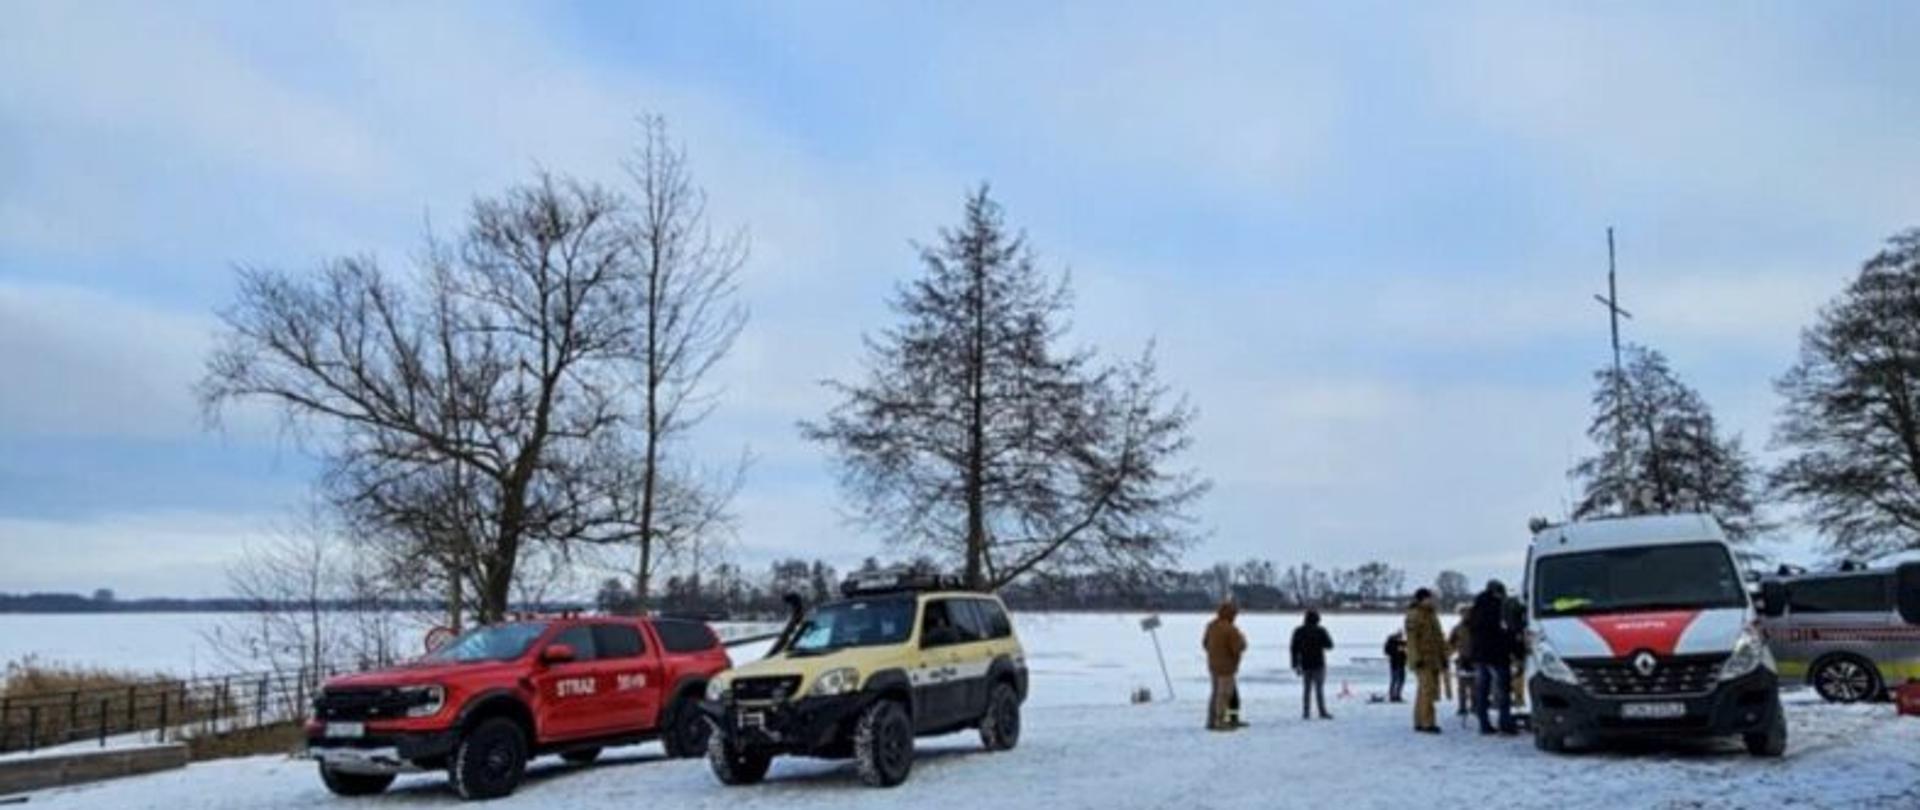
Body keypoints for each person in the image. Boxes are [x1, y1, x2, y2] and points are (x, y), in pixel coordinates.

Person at [1468, 580, 1518, 735]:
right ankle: (1505, 723)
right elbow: (1507, 632)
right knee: (1503, 690)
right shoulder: (1500, 607)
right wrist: (1516, 651)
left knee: (1482, 691)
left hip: (1480, 655)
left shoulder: (1476, 608)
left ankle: (1484, 724)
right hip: (1498, 654)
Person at [1405, 588, 1447, 733]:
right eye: (1429, 598)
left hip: (1433, 659)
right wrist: (1416, 658)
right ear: (1421, 599)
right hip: (1422, 660)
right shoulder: (1414, 615)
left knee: (1424, 692)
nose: (1432, 601)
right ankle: (1427, 722)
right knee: (1427, 691)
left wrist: (1443, 656)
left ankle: (1419, 720)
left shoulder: (1431, 614)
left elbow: (1439, 637)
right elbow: (1412, 640)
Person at [1203, 601, 1248, 731]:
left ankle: (1212, 721)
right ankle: (1221, 722)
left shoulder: (1211, 626)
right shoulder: (1231, 630)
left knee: (1216, 694)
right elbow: (1237, 648)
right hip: (1227, 667)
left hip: (1213, 665)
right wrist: (1243, 640)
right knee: (1225, 695)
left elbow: (1205, 643)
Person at [1290, 610, 1335, 719]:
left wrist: (1295, 664)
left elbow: (1293, 648)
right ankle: (1322, 711)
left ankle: (1306, 712)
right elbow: (1330, 645)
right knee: (1319, 689)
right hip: (1319, 663)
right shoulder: (1321, 630)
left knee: (1306, 690)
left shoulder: (1298, 631)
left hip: (1305, 663)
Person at [1447, 605, 1474, 716]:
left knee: (1475, 686)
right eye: (1463, 613)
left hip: (1475, 660)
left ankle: (1475, 705)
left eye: (1468, 613)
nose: (1465, 615)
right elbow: (1451, 644)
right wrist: (1447, 655)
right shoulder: (1457, 628)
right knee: (1462, 686)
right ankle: (1462, 707)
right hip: (1462, 659)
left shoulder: (1477, 627)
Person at [1383, 630, 1408, 703]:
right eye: (1399, 636)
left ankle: (1397, 695)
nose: (1400, 637)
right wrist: (1397, 650)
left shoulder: (1402, 643)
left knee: (1401, 680)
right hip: (1395, 664)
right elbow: (1387, 651)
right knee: (1395, 680)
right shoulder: (1391, 643)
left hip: (1401, 664)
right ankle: (1393, 696)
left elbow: (1406, 650)